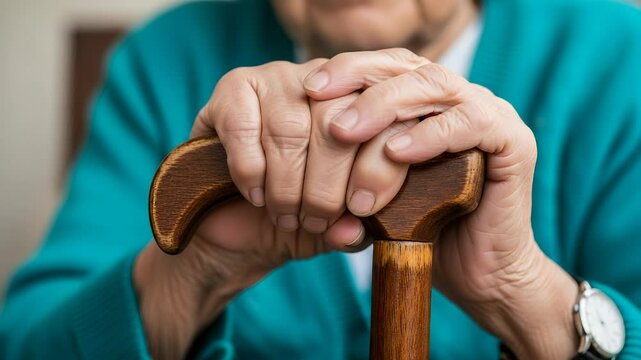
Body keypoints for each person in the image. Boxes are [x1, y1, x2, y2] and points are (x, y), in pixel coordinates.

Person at [1, 0, 641, 358]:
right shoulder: (163, 60)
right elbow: (30, 344)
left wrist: (520, 292)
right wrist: (197, 270)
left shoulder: (622, 59)